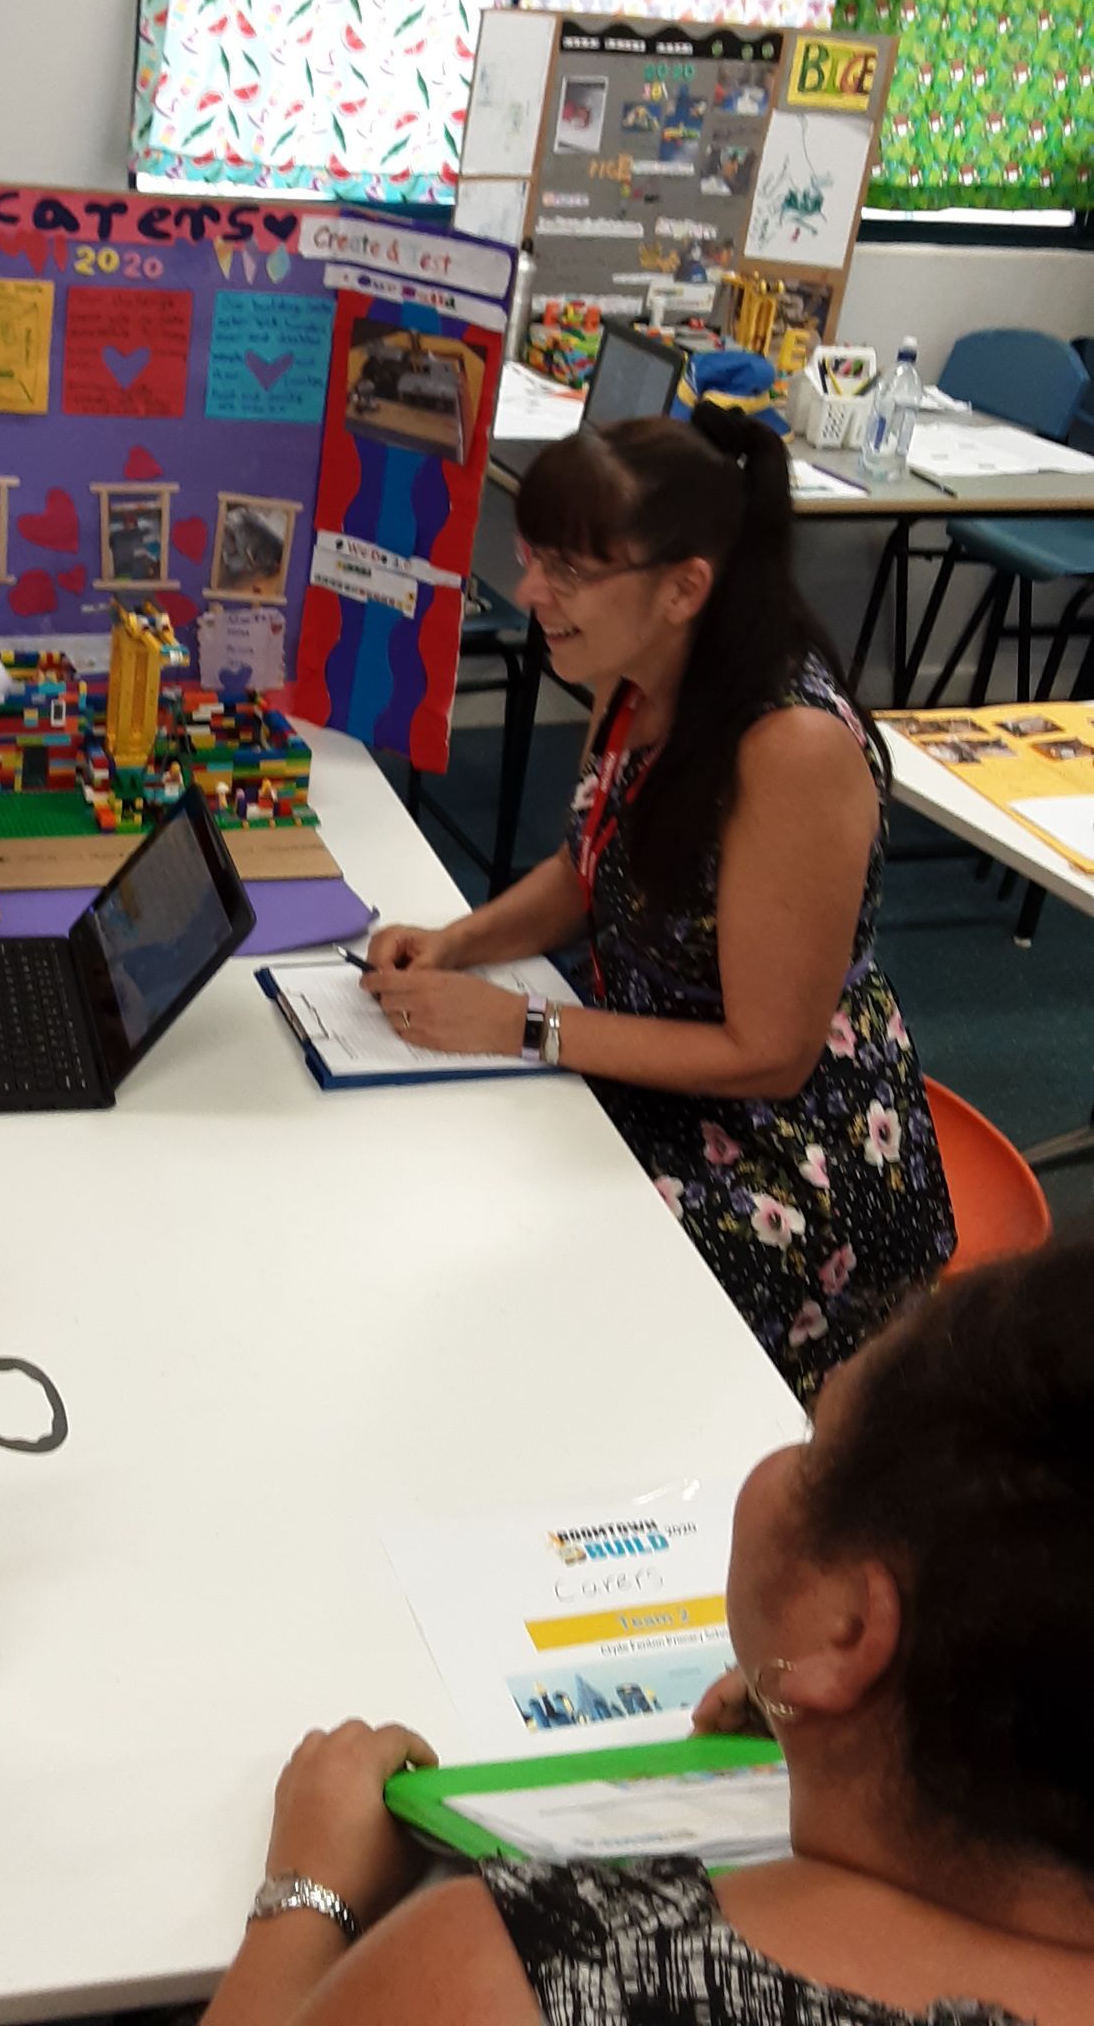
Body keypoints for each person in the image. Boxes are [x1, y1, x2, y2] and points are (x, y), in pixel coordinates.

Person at [201, 1239, 1094, 2026]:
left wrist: (307, 1892)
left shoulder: (531, 1968)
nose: (789, 1458)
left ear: (853, 1630)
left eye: (815, 1441)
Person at [365, 404, 953, 1398]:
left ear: (686, 588)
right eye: (534, 556)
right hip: (656, 1076)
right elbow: (587, 864)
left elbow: (769, 1054)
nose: (529, 592)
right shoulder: (634, 670)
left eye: (570, 572)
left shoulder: (792, 746)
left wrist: (527, 1025)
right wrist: (456, 943)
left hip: (796, 1162)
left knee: (534, 1306)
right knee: (444, 1193)